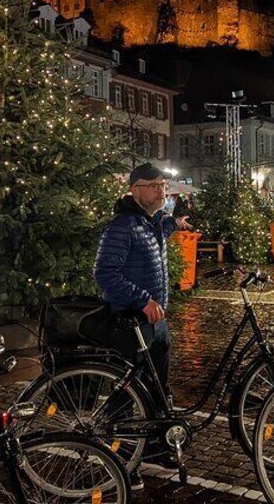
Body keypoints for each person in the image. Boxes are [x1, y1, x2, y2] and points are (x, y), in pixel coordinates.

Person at [93, 163, 192, 486]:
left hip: (156, 322)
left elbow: (160, 231)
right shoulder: (122, 226)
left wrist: (176, 224)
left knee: (157, 389)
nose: (161, 191)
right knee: (127, 394)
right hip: (133, 321)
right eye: (153, 185)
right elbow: (106, 273)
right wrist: (142, 300)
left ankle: (153, 448)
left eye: (163, 185)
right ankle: (121, 460)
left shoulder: (151, 222)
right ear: (134, 189)